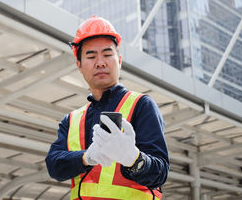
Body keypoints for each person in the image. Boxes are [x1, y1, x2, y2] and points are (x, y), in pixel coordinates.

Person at [45, 16, 169, 200]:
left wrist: (134, 159)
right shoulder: (71, 120)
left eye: (107, 54)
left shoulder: (142, 105)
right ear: (79, 65)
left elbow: (160, 172)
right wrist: (86, 157)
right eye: (91, 56)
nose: (100, 62)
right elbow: (54, 166)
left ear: (119, 60)